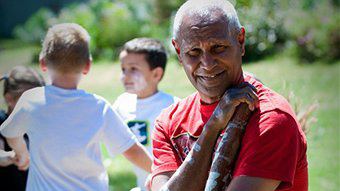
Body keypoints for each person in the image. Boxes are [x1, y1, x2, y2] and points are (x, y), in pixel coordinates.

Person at [150, 1, 308, 191]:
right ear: (178, 52)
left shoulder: (271, 118)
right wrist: (213, 127)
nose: (207, 63)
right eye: (194, 52)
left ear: (240, 41)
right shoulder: (168, 123)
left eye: (218, 47)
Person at [0, 23, 152, 191]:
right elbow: (132, 151)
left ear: (43, 63)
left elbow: (9, 131)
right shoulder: (99, 107)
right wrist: (165, 175)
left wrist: (21, 153)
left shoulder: (31, 101)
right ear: (87, 65)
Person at [113, 38, 179, 191]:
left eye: (133, 69)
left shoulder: (173, 107)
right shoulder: (121, 105)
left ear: (156, 74)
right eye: (123, 69)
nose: (125, 76)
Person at [0, 66, 45, 191]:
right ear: (9, 99)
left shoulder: (40, 124)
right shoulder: (2, 122)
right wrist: (9, 156)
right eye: (30, 100)